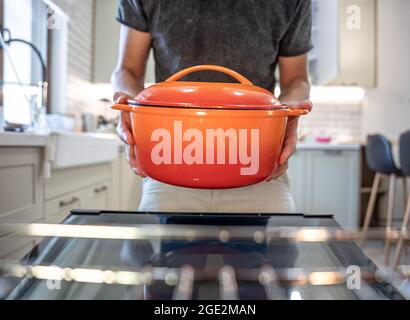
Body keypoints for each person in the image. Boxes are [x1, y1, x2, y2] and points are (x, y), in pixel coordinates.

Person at [112, 0, 313, 213]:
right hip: (169, 158)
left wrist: (287, 113)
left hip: (256, 160)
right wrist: (130, 109)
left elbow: (296, 79)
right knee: (160, 243)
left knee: (275, 245)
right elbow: (128, 70)